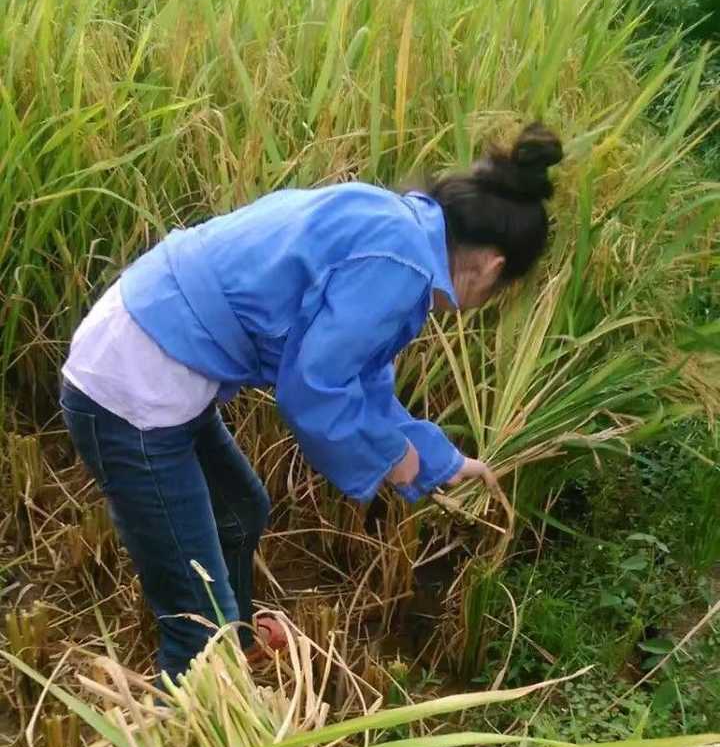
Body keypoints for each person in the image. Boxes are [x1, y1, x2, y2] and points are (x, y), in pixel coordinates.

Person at [59, 122, 562, 683]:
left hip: (156, 348)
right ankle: (190, 710)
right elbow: (317, 389)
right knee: (198, 626)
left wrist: (439, 460)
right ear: (493, 267)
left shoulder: (395, 228)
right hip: (133, 390)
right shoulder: (399, 266)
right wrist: (391, 458)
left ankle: (238, 643)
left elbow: (363, 379)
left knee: (240, 510)